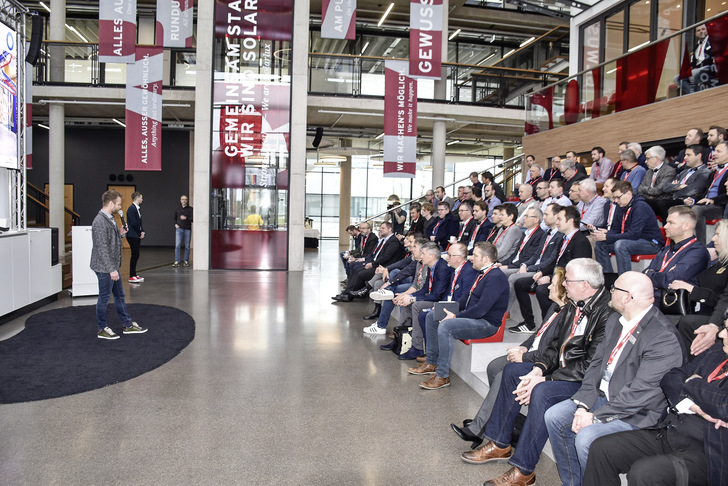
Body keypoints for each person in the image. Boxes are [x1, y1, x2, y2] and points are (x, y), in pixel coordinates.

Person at [470, 259, 612, 486]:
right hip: (562, 370)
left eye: (569, 280)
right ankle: (499, 443)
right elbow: (555, 346)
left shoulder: (607, 313)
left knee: (543, 393)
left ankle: (524, 469)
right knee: (513, 371)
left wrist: (545, 378)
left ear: (585, 284)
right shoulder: (576, 303)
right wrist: (538, 369)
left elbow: (590, 366)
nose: (564, 284)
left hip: (584, 380)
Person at [544, 271, 685, 486]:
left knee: (586, 437)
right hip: (605, 396)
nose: (610, 291)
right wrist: (583, 404)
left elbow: (640, 394)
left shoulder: (662, 337)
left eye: (615, 289)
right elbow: (596, 366)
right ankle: (573, 483)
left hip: (639, 413)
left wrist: (594, 417)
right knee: (555, 416)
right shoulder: (616, 321)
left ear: (628, 297)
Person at [583, 319, 728, 486]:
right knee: (602, 449)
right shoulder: (717, 351)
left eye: (727, 330)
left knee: (645, 472)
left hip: (708, 452)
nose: (721, 334)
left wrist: (693, 383)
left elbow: (724, 406)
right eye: (724, 327)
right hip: (669, 431)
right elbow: (671, 378)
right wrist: (691, 405)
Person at [451, 267, 569, 449]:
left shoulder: (567, 315)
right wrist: (523, 346)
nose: (548, 288)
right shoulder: (553, 307)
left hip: (542, 363)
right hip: (531, 352)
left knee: (503, 374)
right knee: (493, 367)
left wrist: (525, 356)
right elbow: (538, 334)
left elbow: (552, 352)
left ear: (562, 289)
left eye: (552, 285)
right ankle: (499, 415)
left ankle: (477, 430)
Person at [408, 241, 508, 390]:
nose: (471, 258)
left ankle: (442, 375)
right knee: (432, 316)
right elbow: (464, 299)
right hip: (475, 317)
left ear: (485, 259)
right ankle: (431, 362)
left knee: (446, 326)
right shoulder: (483, 273)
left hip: (486, 323)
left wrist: (455, 316)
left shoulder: (495, 277)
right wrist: (446, 309)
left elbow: (481, 309)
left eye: (474, 255)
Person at [91, 190, 147, 339]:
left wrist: (121, 233)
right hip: (105, 268)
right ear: (111, 203)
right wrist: (111, 269)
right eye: (118, 204)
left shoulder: (109, 218)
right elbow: (101, 248)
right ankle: (102, 328)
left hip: (112, 266)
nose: (120, 206)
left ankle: (127, 324)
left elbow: (110, 240)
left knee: (120, 295)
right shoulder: (99, 221)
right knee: (104, 297)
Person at [672, 219, 728, 353]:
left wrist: (693, 290)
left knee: (688, 322)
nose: (713, 239)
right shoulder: (719, 263)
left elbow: (723, 299)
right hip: (704, 310)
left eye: (718, 235)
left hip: (718, 318)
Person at [592, 180, 664, 275]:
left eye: (618, 197)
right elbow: (617, 230)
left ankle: (624, 279)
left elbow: (634, 234)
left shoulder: (640, 207)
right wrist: (606, 233)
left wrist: (607, 237)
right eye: (614, 198)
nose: (616, 201)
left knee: (621, 245)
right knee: (600, 244)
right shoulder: (622, 206)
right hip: (635, 240)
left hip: (651, 242)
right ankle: (607, 277)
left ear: (629, 193)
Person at [643, 205, 710, 298]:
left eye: (671, 223)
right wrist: (656, 275)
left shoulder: (697, 252)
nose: (665, 226)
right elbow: (643, 275)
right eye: (666, 222)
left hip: (671, 303)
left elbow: (669, 280)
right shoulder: (666, 250)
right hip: (652, 299)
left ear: (686, 226)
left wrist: (650, 274)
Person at [648, 144, 711, 221]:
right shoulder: (684, 172)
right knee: (646, 203)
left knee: (662, 204)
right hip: (674, 200)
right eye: (685, 155)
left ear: (698, 156)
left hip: (687, 201)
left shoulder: (705, 172)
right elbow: (665, 187)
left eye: (688, 155)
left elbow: (692, 190)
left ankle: (669, 229)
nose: (685, 158)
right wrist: (678, 186)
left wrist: (674, 189)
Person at [687, 141, 728, 243]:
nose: (715, 154)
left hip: (719, 206)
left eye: (719, 151)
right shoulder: (714, 172)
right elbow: (704, 192)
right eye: (715, 151)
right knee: (679, 210)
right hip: (706, 203)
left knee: (696, 210)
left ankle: (700, 244)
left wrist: (713, 200)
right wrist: (692, 200)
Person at [126, 191, 145, 283]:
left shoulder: (137, 209)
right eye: (141, 197)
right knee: (135, 255)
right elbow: (134, 223)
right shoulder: (131, 209)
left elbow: (139, 222)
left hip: (136, 234)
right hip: (132, 235)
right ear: (137, 198)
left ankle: (134, 274)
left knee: (136, 255)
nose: (142, 199)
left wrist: (142, 231)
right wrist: (139, 232)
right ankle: (131, 275)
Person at [173, 195, 193, 267]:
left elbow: (193, 219)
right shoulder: (177, 209)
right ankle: (177, 261)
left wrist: (186, 218)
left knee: (187, 245)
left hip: (187, 229)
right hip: (179, 229)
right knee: (177, 245)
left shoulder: (190, 209)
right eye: (182, 199)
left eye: (185, 199)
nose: (184, 201)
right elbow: (174, 218)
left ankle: (186, 261)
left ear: (187, 200)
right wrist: (175, 224)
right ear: (180, 200)